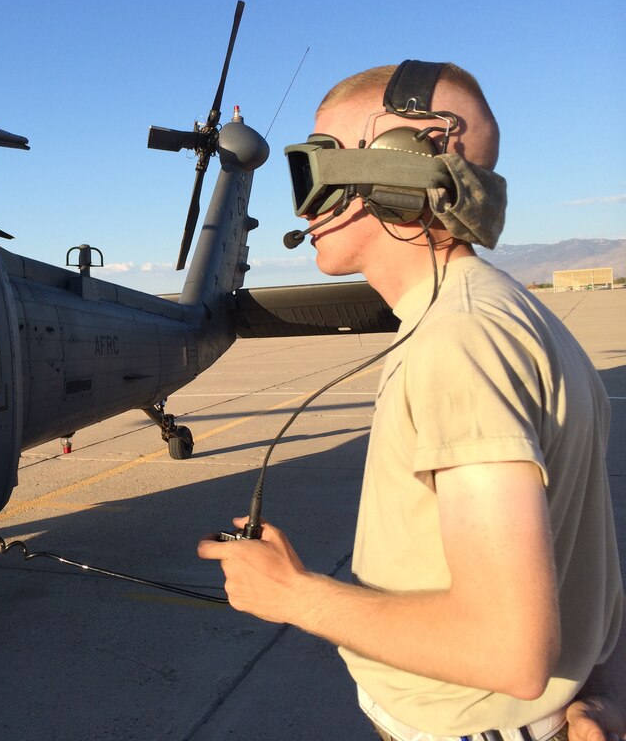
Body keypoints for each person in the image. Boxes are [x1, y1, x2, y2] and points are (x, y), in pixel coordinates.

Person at [197, 62, 623, 741]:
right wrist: (604, 693)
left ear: (396, 171)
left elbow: (508, 650)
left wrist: (292, 594)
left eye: (311, 170)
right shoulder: (507, 313)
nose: (304, 205)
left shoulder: (459, 340)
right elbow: (587, 559)